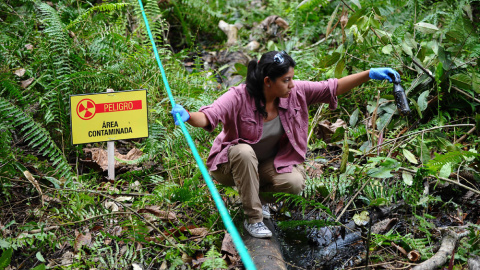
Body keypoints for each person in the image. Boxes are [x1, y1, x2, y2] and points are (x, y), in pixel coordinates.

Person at [171, 51, 400, 238]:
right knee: (243, 150)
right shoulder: (239, 96)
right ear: (268, 82)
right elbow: (210, 115)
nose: (291, 84)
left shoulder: (296, 92)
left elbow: (332, 87)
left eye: (292, 78)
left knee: (294, 182)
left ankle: (255, 197)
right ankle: (254, 219)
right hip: (230, 167)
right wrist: (188, 116)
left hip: (265, 167)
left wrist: (369, 74)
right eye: (286, 80)